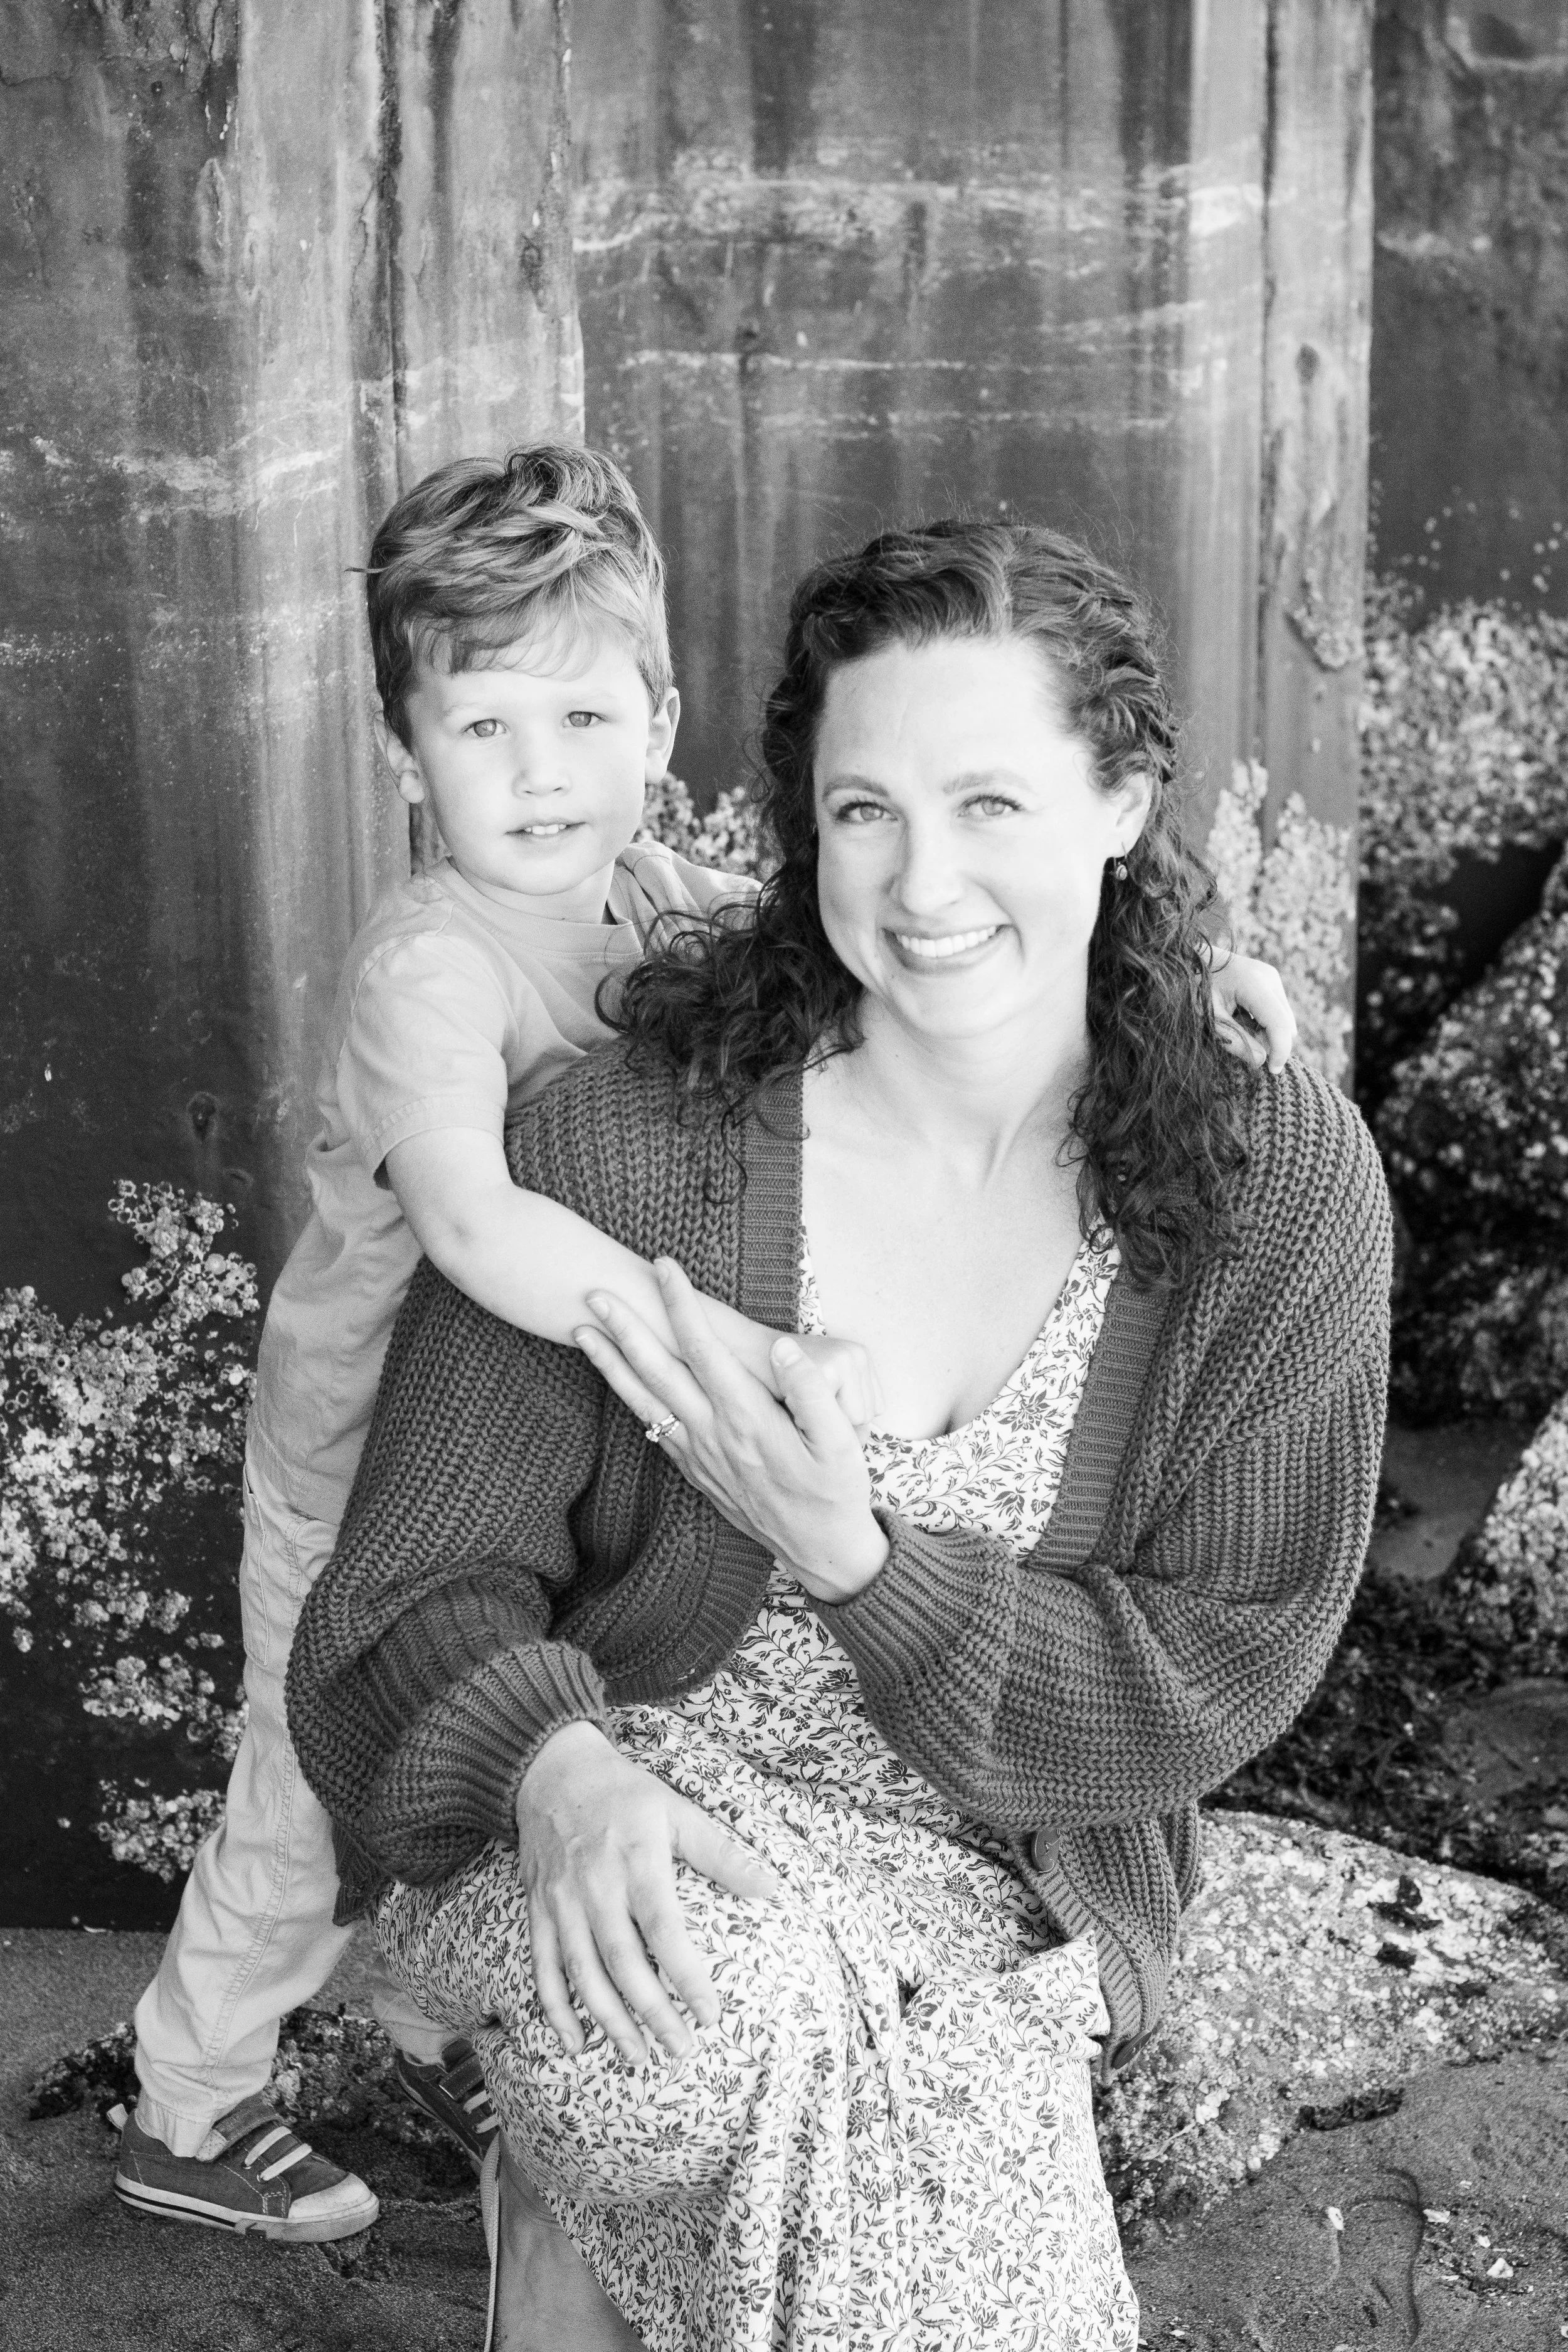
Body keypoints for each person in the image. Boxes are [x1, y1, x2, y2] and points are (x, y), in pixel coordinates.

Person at [286, 515, 1389, 2349]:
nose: (923, 879)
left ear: (1121, 803)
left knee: (839, 2128)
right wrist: (555, 1776)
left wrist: (856, 1559)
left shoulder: (1272, 1185)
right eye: (864, 809)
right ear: (801, 823)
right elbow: (404, 1595)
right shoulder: (628, 1144)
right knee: (683, 2050)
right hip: (622, 1809)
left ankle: (569, 2270)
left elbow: (1221, 1664)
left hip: (989, 1869)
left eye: (991, 806)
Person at [116, 445, 888, 2241]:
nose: (541, 773)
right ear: (404, 752)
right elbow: (469, 1220)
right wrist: (696, 1347)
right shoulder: (435, 971)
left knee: (531, 1731)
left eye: (582, 714)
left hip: (522, 1479)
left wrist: (1177, 975)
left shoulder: (669, 903)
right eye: (481, 730)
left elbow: (884, 974)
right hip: (361, 1466)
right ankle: (191, 2100)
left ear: (661, 714)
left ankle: (429, 2011)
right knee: (309, 1791)